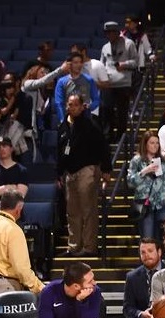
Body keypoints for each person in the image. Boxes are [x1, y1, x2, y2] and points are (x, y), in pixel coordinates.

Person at [57, 94, 112, 257]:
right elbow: (59, 150)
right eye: (69, 104)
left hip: (87, 169)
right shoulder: (63, 126)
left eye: (75, 105)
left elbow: (103, 146)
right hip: (69, 173)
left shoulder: (91, 124)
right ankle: (74, 246)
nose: (71, 107)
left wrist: (106, 169)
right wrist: (58, 172)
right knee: (72, 211)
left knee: (88, 209)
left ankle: (89, 247)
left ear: (82, 106)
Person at [0, 189, 44, 300]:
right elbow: (21, 269)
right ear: (18, 210)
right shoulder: (14, 230)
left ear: (0, 205)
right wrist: (40, 288)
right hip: (4, 289)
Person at [127, 130, 165, 239]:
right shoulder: (137, 160)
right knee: (148, 237)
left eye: (157, 143)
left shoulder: (162, 160)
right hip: (145, 203)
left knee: (161, 237)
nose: (155, 145)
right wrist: (144, 171)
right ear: (145, 144)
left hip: (162, 202)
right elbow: (130, 182)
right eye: (152, 143)